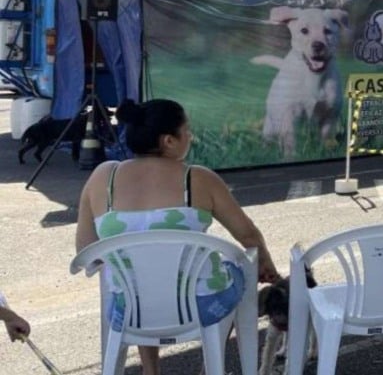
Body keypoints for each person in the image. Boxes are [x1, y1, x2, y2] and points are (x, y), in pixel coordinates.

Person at [75, 98, 281, 375]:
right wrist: (266, 266)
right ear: (169, 141)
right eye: (187, 131)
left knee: (139, 282)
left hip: (129, 313)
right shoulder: (198, 178)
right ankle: (213, 366)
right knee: (239, 272)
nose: (191, 136)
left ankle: (151, 370)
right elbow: (248, 235)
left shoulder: (102, 177)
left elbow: (86, 251)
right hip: (199, 308)